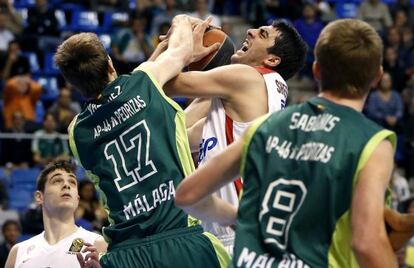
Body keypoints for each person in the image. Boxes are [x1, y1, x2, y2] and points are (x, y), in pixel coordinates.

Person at [176, 19, 399, 267]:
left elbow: (187, 193)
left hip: (246, 250)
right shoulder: (370, 142)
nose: (251, 32)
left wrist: (180, 43)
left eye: (262, 33)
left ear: (316, 71)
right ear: (377, 77)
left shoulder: (271, 126)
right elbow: (367, 243)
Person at [54, 15, 232, 268]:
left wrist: (157, 57)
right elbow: (179, 52)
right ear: (110, 64)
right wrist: (181, 21)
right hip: (181, 239)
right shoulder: (144, 82)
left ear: (73, 84)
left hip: (125, 255)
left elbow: (120, 104)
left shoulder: (76, 132)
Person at [161, 18, 307, 253]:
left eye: (262, 34)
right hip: (240, 233)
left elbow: (164, 83)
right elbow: (180, 137)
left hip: (233, 233)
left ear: (272, 59)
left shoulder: (246, 78)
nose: (249, 31)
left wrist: (182, 48)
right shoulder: (254, 96)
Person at [5, 159, 106, 268]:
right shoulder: (18, 252)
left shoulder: (97, 245)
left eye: (72, 182)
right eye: (57, 180)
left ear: (77, 199)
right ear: (39, 197)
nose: (66, 185)